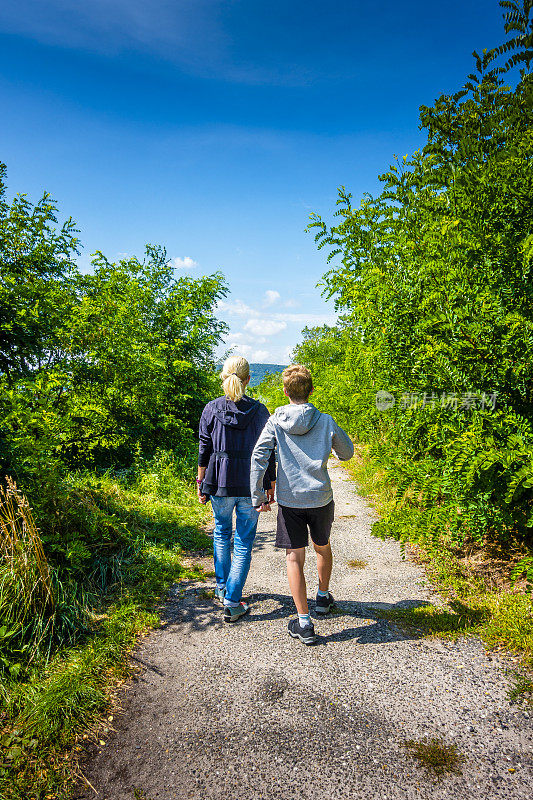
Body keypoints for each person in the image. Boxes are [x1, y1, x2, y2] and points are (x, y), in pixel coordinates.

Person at [250, 364, 354, 644]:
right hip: (321, 498)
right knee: (322, 546)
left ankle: (304, 623)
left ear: (285, 391)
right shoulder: (325, 420)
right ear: (311, 390)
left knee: (294, 558)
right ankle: (322, 598)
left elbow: (259, 457)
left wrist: (257, 496)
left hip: (290, 501)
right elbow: (347, 454)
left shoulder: (275, 421)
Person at [197, 356, 275, 622]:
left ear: (223, 376)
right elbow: (269, 452)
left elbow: (204, 449)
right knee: (243, 543)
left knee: (221, 533)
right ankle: (232, 599)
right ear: (248, 379)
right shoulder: (260, 411)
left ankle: (222, 588)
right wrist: (270, 484)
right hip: (250, 484)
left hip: (219, 482)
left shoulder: (210, 409)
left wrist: (201, 482)